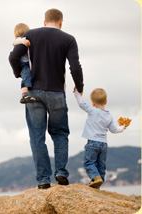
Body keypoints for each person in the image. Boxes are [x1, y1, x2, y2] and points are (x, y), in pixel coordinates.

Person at [9, 9, 84, 189]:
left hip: (33, 93)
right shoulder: (68, 39)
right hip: (57, 93)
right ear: (61, 22)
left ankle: (43, 180)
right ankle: (60, 172)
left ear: (44, 21)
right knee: (60, 134)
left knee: (37, 137)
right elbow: (75, 66)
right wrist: (80, 86)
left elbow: (13, 56)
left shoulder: (30, 34)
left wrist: (19, 74)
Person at [74, 88, 127, 189]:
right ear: (106, 102)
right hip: (104, 145)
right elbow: (114, 130)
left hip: (92, 143)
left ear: (93, 103)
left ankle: (95, 177)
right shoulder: (109, 115)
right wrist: (123, 127)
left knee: (89, 162)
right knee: (101, 165)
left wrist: (77, 93)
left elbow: (81, 103)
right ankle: (98, 183)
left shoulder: (92, 110)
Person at [13, 23, 36, 104]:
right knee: (26, 77)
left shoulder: (28, 39)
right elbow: (15, 42)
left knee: (28, 76)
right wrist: (23, 41)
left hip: (27, 62)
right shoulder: (19, 40)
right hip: (23, 63)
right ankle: (24, 95)